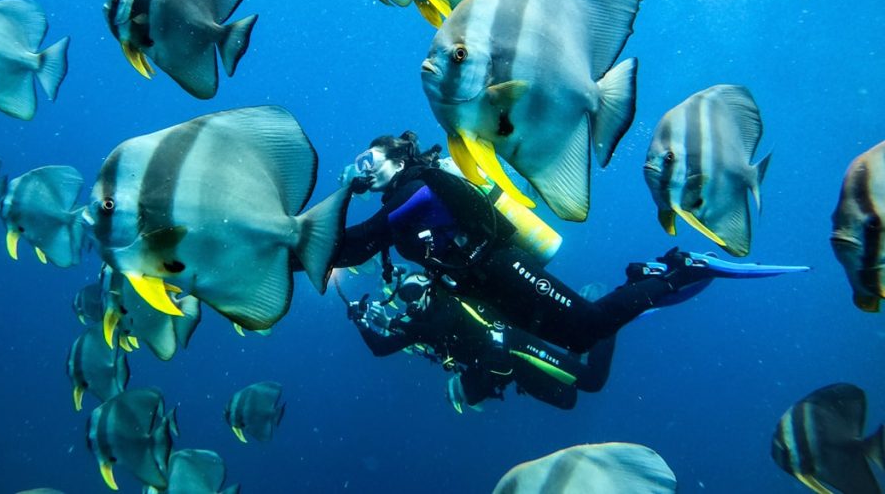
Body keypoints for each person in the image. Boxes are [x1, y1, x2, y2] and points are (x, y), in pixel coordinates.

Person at [336, 131, 806, 354]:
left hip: (500, 266)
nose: (363, 169)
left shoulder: (419, 184)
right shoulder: (398, 205)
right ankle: (645, 276)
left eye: (367, 158)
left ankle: (685, 267)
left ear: (397, 155)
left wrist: (302, 239)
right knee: (579, 339)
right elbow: (362, 246)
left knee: (590, 322)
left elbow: (366, 237)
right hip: (483, 288)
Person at [343, 270, 615, 411]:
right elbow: (381, 348)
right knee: (568, 399)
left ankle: (608, 317)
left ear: (429, 287)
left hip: (516, 347)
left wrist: (392, 323)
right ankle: (582, 340)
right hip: (510, 369)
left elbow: (436, 331)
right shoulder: (419, 325)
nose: (411, 300)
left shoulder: (447, 304)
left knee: (592, 380)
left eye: (414, 291)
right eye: (404, 297)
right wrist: (362, 324)